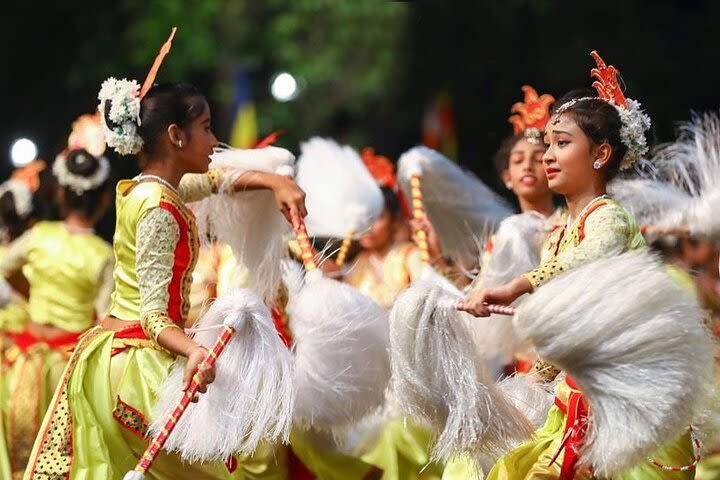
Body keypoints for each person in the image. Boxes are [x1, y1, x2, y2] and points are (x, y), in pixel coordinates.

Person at [24, 73, 306, 479]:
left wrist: (273, 180)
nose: (214, 143)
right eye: (206, 128)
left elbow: (215, 181)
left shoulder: (147, 188)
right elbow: (155, 318)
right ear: (176, 135)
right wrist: (195, 352)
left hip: (115, 355)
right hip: (138, 366)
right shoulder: (160, 208)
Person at [459, 52, 696, 479]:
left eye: (562, 143)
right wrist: (531, 384)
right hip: (576, 401)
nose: (548, 155)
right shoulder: (560, 231)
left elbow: (589, 258)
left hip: (623, 406)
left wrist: (516, 286)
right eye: (547, 143)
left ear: (601, 154)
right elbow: (567, 326)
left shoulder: (607, 216)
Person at [0, 149, 113, 477]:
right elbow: (104, 316)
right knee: (57, 457)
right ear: (104, 201)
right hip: (68, 370)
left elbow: (4, 268)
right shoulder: (103, 254)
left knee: (14, 454)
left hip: (22, 364)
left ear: (61, 193)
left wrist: (27, 293)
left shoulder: (39, 236)